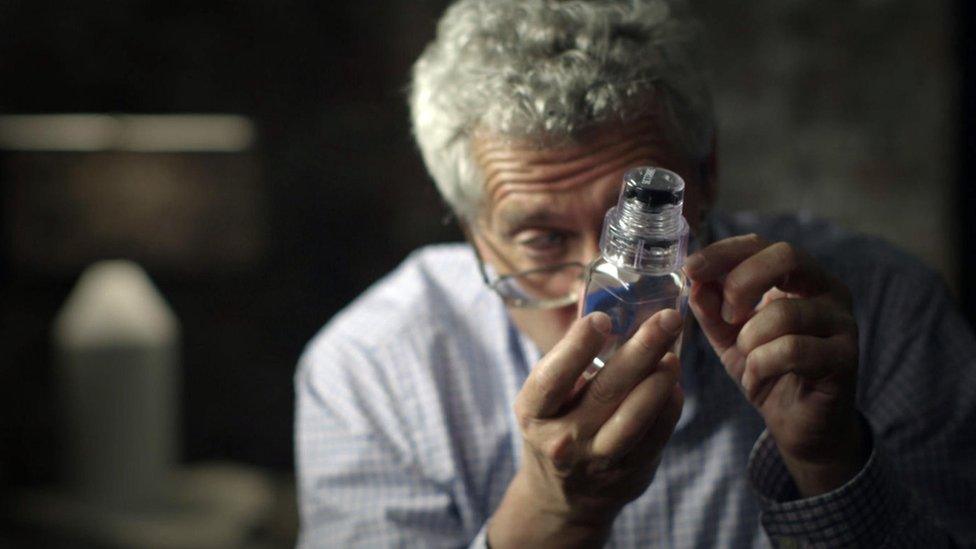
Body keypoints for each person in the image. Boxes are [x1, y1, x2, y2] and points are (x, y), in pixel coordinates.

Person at [295, 0, 976, 546]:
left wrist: (830, 462)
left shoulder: (881, 311)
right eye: (542, 238)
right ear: (471, 228)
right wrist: (551, 515)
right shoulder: (371, 368)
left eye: (645, 230)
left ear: (706, 175)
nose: (612, 289)